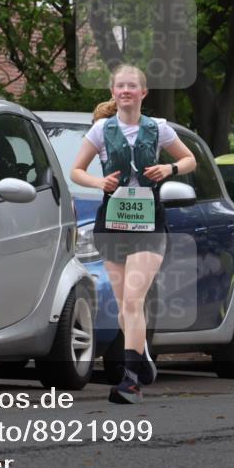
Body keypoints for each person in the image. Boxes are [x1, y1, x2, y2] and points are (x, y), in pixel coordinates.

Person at [70, 65, 196, 404]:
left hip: (149, 223)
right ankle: (142, 360)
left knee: (132, 300)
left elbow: (189, 160)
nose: (126, 90)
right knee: (126, 305)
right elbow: (77, 171)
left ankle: (130, 381)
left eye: (132, 86)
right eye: (120, 86)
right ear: (113, 92)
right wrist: (99, 182)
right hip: (112, 222)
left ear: (143, 93)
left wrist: (169, 169)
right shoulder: (101, 130)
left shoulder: (159, 129)